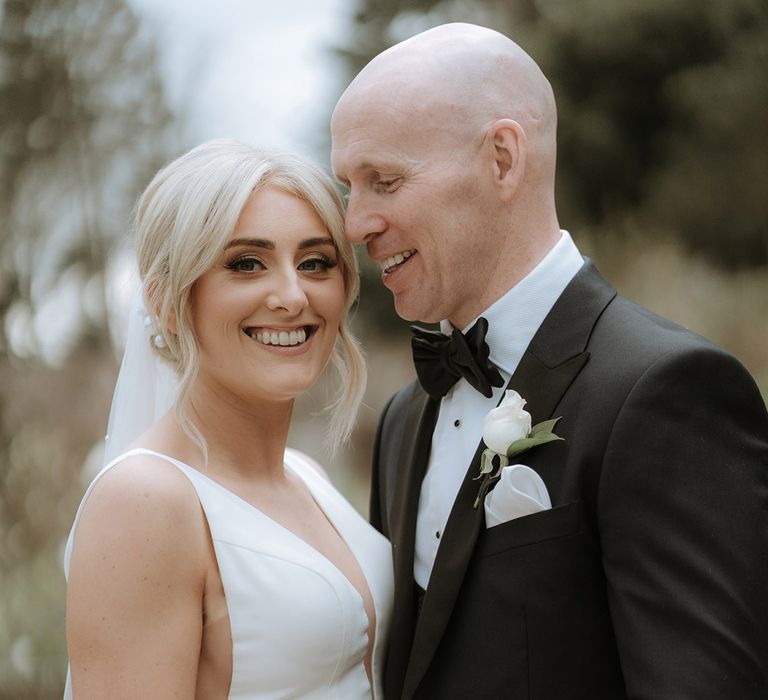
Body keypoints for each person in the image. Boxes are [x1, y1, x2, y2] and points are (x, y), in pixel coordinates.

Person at [330, 22, 768, 700]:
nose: (356, 224)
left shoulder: (666, 392)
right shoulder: (403, 416)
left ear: (503, 158)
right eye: (348, 187)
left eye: (384, 180)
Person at [63, 140, 393, 699]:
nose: (292, 296)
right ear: (168, 300)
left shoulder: (306, 476)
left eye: (315, 263)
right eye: (246, 264)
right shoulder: (143, 500)